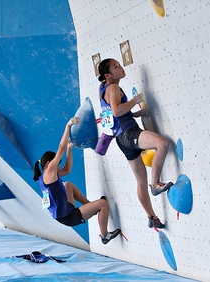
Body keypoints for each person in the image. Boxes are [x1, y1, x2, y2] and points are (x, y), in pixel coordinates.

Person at [97, 58, 173, 229]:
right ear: (108, 75)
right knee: (162, 144)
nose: (120, 67)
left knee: (140, 181)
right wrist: (135, 100)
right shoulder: (114, 87)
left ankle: (152, 217)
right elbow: (116, 111)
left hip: (120, 138)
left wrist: (136, 114)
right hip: (128, 134)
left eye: (119, 64)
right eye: (116, 66)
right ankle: (155, 184)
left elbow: (113, 112)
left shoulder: (103, 88)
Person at [33, 117, 121, 244]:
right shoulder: (50, 170)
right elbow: (60, 148)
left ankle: (90, 206)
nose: (58, 166)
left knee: (67, 184)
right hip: (68, 216)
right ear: (49, 163)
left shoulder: (45, 176)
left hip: (63, 213)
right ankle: (104, 235)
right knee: (103, 204)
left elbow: (67, 170)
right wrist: (68, 126)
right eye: (57, 163)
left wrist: (69, 149)